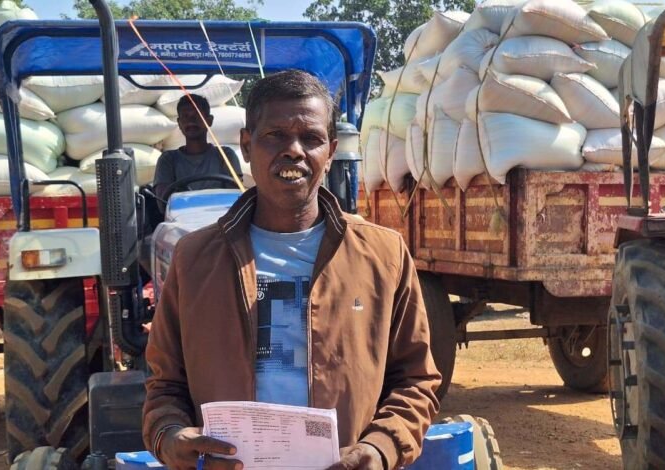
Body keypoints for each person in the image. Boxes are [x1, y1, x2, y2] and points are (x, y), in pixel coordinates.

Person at [142, 70, 441, 470]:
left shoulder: (383, 256)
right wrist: (170, 434)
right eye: (275, 136)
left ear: (331, 151)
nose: (294, 151)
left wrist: (381, 447)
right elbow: (165, 386)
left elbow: (415, 380)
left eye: (311, 138)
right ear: (247, 145)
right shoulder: (194, 259)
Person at [152, 94, 243, 202]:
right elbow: (163, 204)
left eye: (197, 116)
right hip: (181, 217)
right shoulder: (168, 160)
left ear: (209, 120)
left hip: (221, 217)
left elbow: (235, 200)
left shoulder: (226, 156)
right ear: (179, 123)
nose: (191, 121)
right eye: (186, 116)